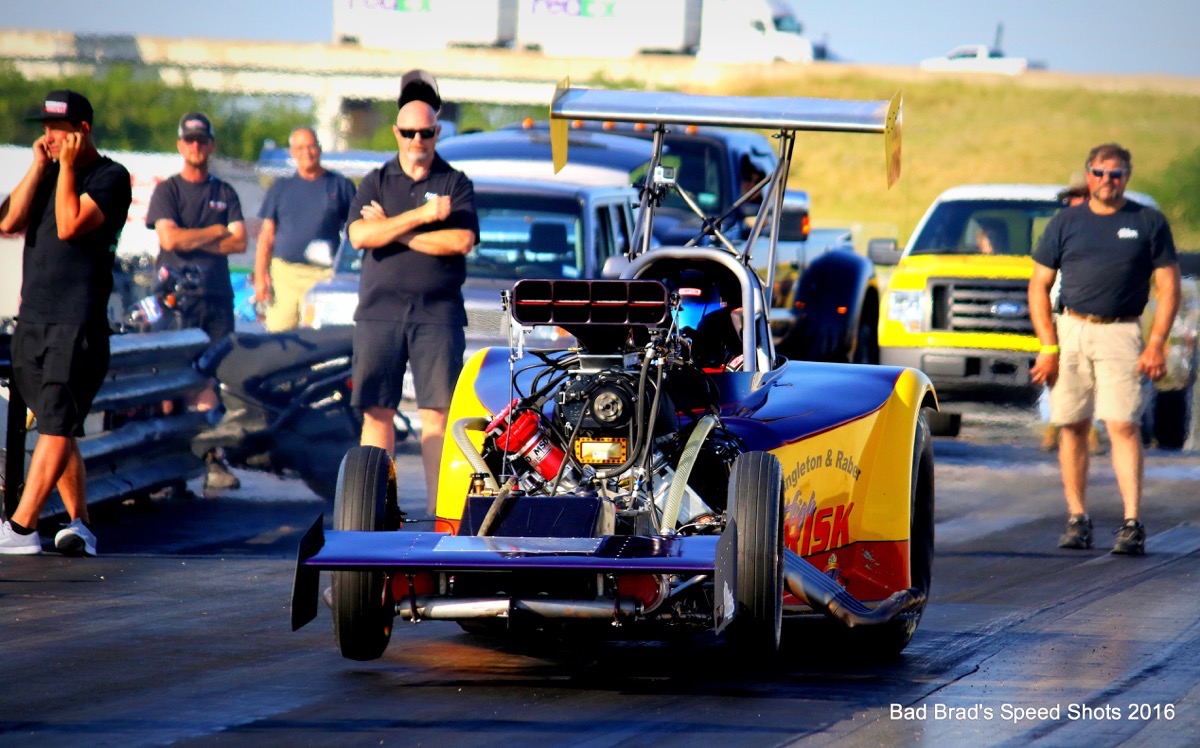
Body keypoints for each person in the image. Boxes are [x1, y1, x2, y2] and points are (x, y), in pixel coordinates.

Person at [1029, 143, 1181, 555]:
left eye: (1115, 174)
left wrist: (1156, 343)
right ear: (1088, 174)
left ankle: (1132, 523)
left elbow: (1168, 287)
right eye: (1099, 173)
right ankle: (1077, 518)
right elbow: (1039, 286)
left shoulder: (1147, 222)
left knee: (1122, 424)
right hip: (1071, 330)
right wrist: (1048, 346)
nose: (1107, 181)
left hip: (1122, 332)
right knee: (1072, 424)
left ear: (1127, 176)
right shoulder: (1066, 222)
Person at [0, 90, 132, 555]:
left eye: (59, 130)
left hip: (76, 322)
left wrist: (69, 171)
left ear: (83, 131)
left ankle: (20, 527)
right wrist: (39, 167)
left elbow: (71, 224)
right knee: (61, 424)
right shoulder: (46, 172)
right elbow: (8, 222)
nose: (50, 138)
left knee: (56, 422)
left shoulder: (110, 177)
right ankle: (80, 522)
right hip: (33, 316)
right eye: (46, 129)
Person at [348, 70, 479, 515]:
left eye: (425, 132)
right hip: (379, 313)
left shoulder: (455, 183)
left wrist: (393, 229)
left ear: (437, 132)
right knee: (377, 412)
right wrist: (422, 218)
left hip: (436, 314)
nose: (417, 139)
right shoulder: (376, 179)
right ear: (396, 133)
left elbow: (459, 242)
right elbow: (361, 236)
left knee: (437, 416)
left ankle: (442, 518)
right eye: (409, 132)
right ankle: (376, 513)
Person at [146, 112, 247, 490]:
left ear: (211, 145)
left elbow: (238, 242)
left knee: (212, 380)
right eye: (189, 140)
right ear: (180, 144)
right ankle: (170, 464)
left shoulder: (224, 192)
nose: (196, 146)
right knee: (173, 383)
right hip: (176, 302)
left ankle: (210, 458)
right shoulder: (168, 191)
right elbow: (169, 241)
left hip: (217, 300)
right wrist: (214, 232)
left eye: (202, 140)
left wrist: (195, 236)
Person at [254, 127, 356, 331]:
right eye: (300, 148)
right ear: (292, 152)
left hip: (324, 276)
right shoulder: (281, 187)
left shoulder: (340, 185)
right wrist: (259, 276)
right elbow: (266, 235)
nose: (307, 152)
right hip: (285, 275)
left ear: (319, 149)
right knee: (279, 335)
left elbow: (356, 232)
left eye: (311, 147)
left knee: (320, 337)